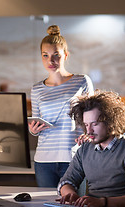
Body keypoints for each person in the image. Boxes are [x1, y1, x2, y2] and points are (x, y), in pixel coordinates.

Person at [58, 90, 125, 207]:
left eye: (95, 124)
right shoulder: (85, 149)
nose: (89, 131)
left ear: (111, 122)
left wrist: (102, 202)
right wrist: (70, 194)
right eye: (86, 125)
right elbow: (66, 182)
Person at [29, 25, 94, 187]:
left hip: (73, 157)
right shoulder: (36, 89)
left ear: (65, 55)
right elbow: (36, 124)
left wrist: (90, 133)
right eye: (45, 55)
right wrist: (33, 130)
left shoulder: (82, 81)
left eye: (56, 55)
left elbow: (94, 116)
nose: (50, 61)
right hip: (44, 160)